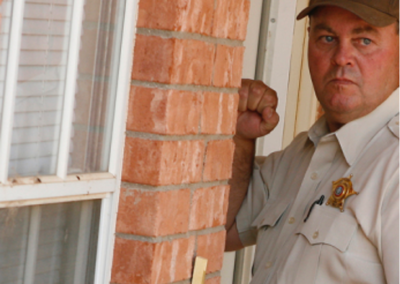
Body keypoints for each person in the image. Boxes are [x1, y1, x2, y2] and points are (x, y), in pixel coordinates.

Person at [225, 0, 400, 283]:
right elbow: (222, 229)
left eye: (364, 40)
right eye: (327, 38)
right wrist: (242, 138)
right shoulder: (299, 156)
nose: (342, 57)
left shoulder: (394, 167)